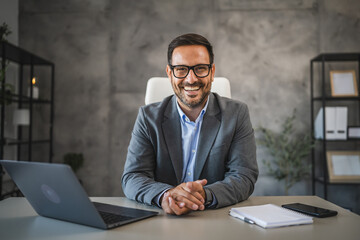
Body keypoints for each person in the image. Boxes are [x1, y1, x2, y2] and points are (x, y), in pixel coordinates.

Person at [122, 33, 258, 215]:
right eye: (181, 69)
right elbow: (133, 177)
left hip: (215, 219)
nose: (191, 79)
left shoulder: (237, 114)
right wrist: (166, 195)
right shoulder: (147, 117)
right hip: (160, 219)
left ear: (212, 72)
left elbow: (244, 177)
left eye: (200, 68)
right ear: (170, 73)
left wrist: (204, 194)